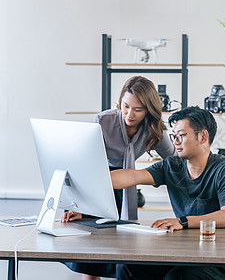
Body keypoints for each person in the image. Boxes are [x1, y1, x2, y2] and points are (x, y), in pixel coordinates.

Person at [111, 106, 225, 280]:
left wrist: (182, 221)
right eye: (174, 136)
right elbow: (133, 176)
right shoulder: (171, 166)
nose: (175, 142)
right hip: (185, 251)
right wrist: (93, 180)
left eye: (181, 136)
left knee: (178, 278)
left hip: (222, 256)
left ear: (203, 136)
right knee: (128, 267)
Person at [62, 76, 177, 280]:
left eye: (138, 109)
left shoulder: (155, 129)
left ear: (149, 110)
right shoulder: (103, 121)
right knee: (91, 257)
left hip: (126, 184)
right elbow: (84, 163)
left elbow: (176, 161)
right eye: (125, 106)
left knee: (122, 253)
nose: (129, 114)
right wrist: (77, 204)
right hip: (97, 182)